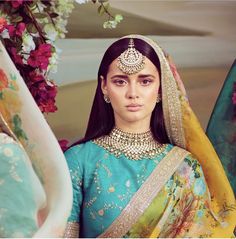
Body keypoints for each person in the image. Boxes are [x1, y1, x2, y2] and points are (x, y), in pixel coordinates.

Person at [64, 35, 236, 238]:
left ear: (161, 88)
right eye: (120, 81)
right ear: (104, 87)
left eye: (145, 81)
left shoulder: (185, 168)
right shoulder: (79, 160)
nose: (133, 93)